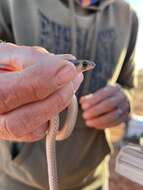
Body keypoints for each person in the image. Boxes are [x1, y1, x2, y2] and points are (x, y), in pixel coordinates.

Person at [0, 0, 138, 190]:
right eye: (84, 67)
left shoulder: (128, 15)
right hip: (18, 181)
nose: (88, 69)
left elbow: (128, 85)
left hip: (94, 180)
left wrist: (124, 100)